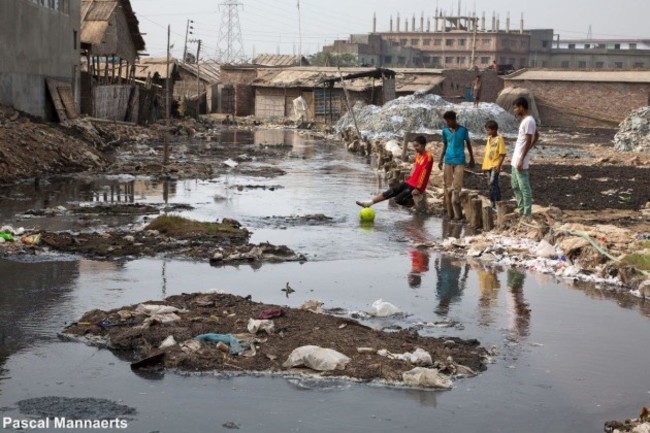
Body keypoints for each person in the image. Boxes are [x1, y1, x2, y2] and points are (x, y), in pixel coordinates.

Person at [356, 135, 433, 208]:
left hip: (417, 186)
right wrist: (412, 172)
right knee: (391, 191)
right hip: (410, 182)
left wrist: (418, 189)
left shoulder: (428, 157)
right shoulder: (418, 154)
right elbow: (416, 165)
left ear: (423, 145)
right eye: (414, 146)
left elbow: (424, 173)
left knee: (398, 200)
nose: (415, 148)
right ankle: (369, 203)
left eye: (417, 146)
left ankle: (416, 200)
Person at [438, 110, 475, 220]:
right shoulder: (445, 131)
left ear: (453, 119)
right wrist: (440, 160)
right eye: (446, 121)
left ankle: (457, 215)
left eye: (448, 121)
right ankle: (449, 213)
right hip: (448, 160)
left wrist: (472, 158)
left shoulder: (463, 130)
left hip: (460, 160)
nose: (447, 123)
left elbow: (468, 144)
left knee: (457, 187)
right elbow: (445, 145)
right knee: (447, 187)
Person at [511, 97, 539, 219]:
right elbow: (536, 135)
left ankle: (527, 214)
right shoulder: (526, 121)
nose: (515, 110)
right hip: (516, 157)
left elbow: (529, 139)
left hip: (520, 159)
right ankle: (521, 208)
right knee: (515, 186)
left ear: (521, 107)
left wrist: (522, 158)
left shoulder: (528, 121)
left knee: (524, 187)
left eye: (516, 107)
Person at [481, 120, 507, 209]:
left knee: (493, 182)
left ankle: (495, 202)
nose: (487, 132)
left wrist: (499, 165)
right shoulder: (489, 139)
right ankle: (495, 201)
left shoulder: (499, 139)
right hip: (488, 165)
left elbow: (502, 154)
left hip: (495, 165)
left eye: (488, 130)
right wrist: (484, 167)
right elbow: (486, 153)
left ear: (494, 130)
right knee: (491, 184)